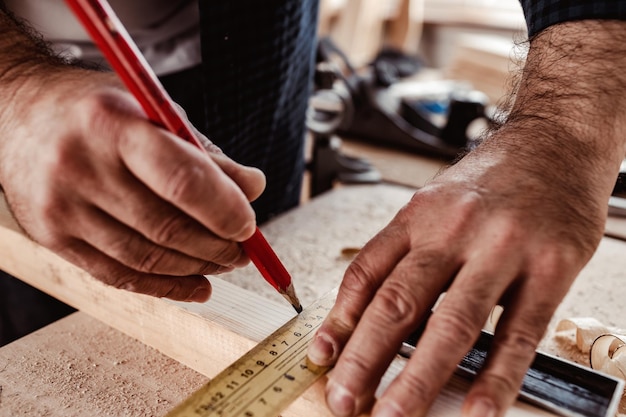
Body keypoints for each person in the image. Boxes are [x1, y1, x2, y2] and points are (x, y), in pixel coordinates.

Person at [0, 1, 624, 417]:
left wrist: (569, 128)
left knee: (255, 216)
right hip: (32, 78)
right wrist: (14, 90)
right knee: (49, 318)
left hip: (251, 45)